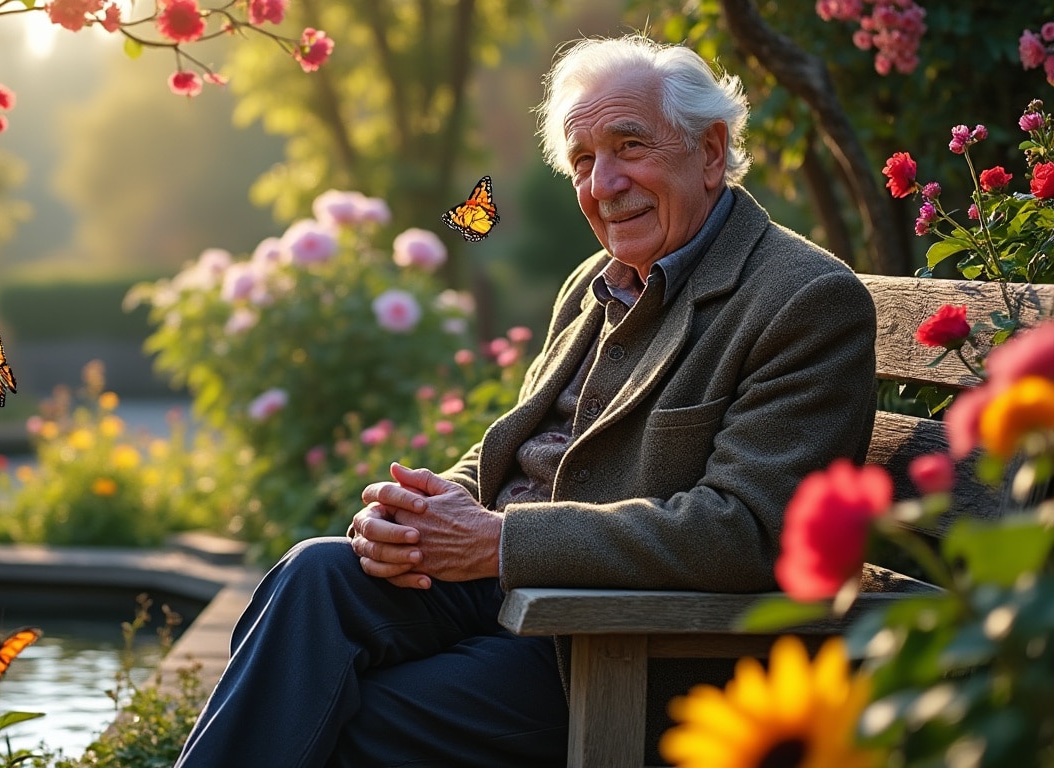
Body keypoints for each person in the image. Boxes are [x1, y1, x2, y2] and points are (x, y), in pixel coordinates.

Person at [173, 33, 878, 768]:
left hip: (616, 643)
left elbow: (749, 533)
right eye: (583, 160)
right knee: (314, 575)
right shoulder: (594, 281)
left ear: (709, 151)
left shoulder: (804, 300)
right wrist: (421, 512)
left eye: (628, 145)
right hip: (506, 593)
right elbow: (513, 448)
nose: (603, 183)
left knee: (333, 715)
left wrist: (499, 544)